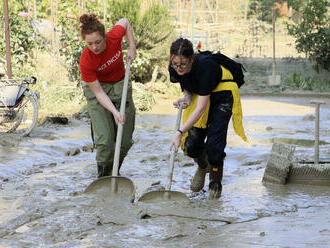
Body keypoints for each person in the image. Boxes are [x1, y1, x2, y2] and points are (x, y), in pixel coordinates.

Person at [169, 38, 247, 200]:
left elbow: (200, 108)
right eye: (175, 64)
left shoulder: (205, 67)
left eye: (183, 64)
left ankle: (214, 187)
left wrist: (179, 132)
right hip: (203, 93)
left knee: (214, 146)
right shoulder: (175, 68)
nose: (178, 68)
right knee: (191, 145)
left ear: (192, 59)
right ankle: (203, 166)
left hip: (222, 93)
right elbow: (189, 87)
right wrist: (186, 98)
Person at [79, 14, 136, 178]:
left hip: (120, 86)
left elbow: (125, 21)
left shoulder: (114, 37)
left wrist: (132, 46)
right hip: (98, 91)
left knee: (124, 140)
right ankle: (103, 176)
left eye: (98, 42)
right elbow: (98, 92)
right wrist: (114, 112)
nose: (95, 47)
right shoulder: (86, 60)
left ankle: (115, 171)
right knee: (105, 141)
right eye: (89, 44)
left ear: (104, 36)